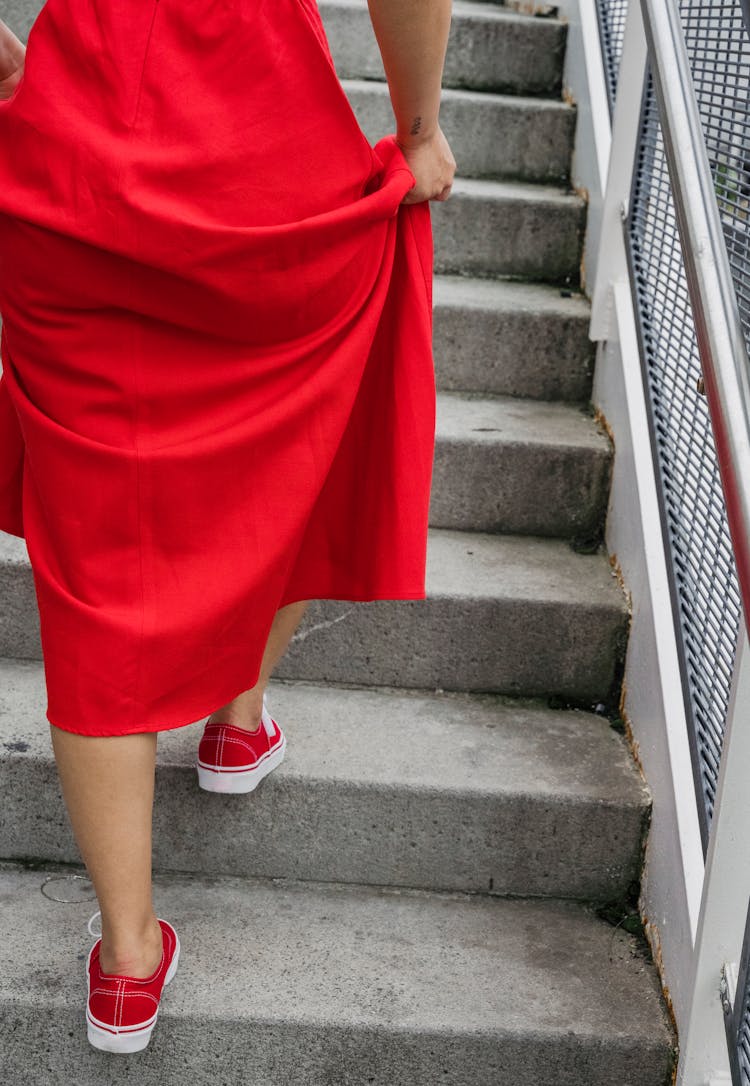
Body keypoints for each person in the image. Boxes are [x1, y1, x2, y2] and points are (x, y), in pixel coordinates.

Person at [0, 0, 456, 1054]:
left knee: (97, 569)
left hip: (72, 161)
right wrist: (421, 128)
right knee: (296, 449)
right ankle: (239, 716)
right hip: (267, 154)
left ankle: (125, 962)